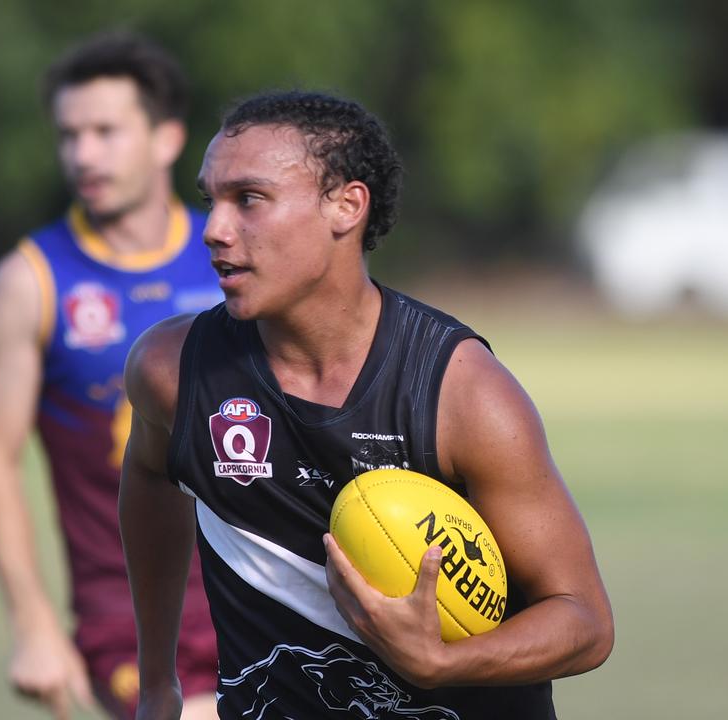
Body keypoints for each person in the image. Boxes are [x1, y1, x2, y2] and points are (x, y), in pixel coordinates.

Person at [120, 90, 614, 719]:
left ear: (346, 206)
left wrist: (443, 663)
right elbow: (149, 477)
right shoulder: (172, 371)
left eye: (249, 199)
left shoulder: (461, 393)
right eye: (209, 200)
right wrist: (157, 679)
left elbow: (584, 620)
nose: (214, 230)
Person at [0, 30, 221, 720]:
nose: (83, 154)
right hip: (134, 619)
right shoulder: (29, 284)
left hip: (265, 594)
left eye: (106, 131)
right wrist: (32, 625)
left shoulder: (232, 257)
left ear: (167, 138)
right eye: (69, 135)